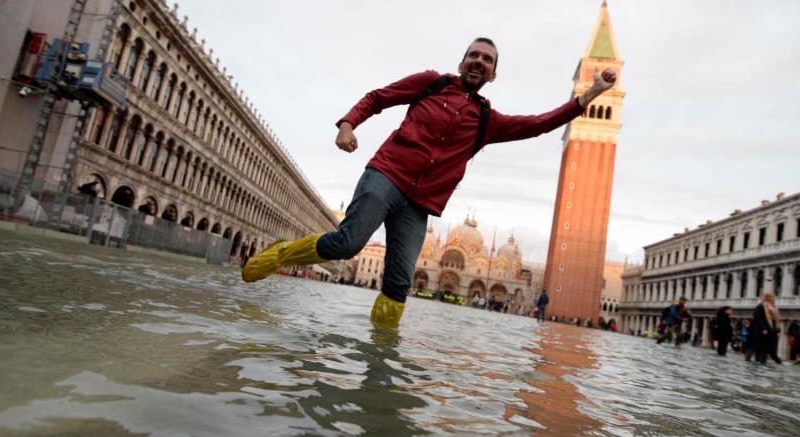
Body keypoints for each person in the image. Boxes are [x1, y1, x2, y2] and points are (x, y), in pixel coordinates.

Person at [240, 38, 617, 328]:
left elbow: (539, 124)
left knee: (399, 283)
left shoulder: (488, 121)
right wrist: (347, 124)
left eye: (487, 60)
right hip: (387, 174)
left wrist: (591, 93)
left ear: (493, 75)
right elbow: (378, 98)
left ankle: (380, 354)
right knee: (348, 243)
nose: (479, 61)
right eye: (474, 54)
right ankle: (279, 254)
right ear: (462, 62)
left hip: (420, 203)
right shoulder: (430, 83)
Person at [752, 292, 782, 364]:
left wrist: (778, 331)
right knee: (763, 346)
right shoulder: (761, 306)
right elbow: (758, 317)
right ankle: (760, 361)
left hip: (772, 329)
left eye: (773, 297)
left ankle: (776, 361)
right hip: (764, 330)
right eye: (770, 297)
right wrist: (763, 328)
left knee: (772, 346)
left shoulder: (775, 307)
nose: (772, 298)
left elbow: (777, 320)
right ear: (766, 297)